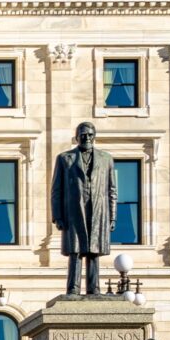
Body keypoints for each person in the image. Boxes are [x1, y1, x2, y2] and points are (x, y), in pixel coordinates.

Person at [51, 120, 117, 297]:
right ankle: (73, 287)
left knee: (94, 251)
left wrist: (112, 217)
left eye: (89, 134)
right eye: (83, 135)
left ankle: (93, 288)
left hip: (98, 211)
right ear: (77, 137)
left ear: (94, 136)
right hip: (74, 211)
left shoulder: (106, 159)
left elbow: (112, 190)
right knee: (76, 251)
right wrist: (58, 216)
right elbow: (56, 190)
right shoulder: (65, 158)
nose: (86, 138)